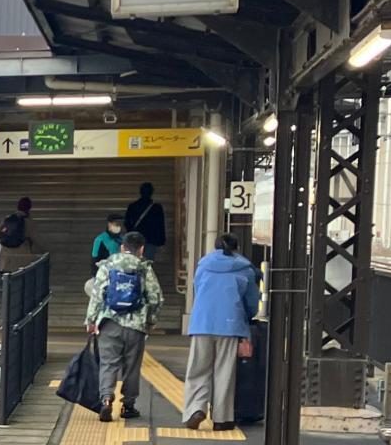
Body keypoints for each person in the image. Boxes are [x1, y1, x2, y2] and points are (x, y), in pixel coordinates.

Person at [182, 233, 261, 430]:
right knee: (224, 371)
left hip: (202, 322)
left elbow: (197, 291)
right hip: (230, 324)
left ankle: (195, 409)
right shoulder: (245, 270)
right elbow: (252, 303)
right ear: (236, 248)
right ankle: (222, 417)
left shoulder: (203, 266)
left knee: (198, 368)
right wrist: (247, 316)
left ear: (216, 247)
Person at [85, 230, 163, 421]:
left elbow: (96, 295)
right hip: (135, 326)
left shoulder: (107, 265)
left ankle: (105, 400)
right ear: (141, 249)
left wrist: (91, 321)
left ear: (122, 247)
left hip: (109, 323)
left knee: (108, 364)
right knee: (132, 366)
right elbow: (156, 297)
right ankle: (128, 405)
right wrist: (150, 320)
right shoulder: (144, 267)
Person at [124, 181, 167, 262]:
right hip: (151, 241)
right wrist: (161, 243)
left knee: (134, 263)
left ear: (140, 192)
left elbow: (127, 223)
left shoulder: (133, 206)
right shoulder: (157, 208)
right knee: (147, 265)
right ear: (152, 193)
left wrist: (131, 235)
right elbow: (160, 226)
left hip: (135, 241)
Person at [0, 197, 39, 271]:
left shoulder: (7, 219)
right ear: (29, 208)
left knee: (7, 280)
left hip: (5, 258)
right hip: (21, 258)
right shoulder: (28, 222)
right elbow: (36, 240)